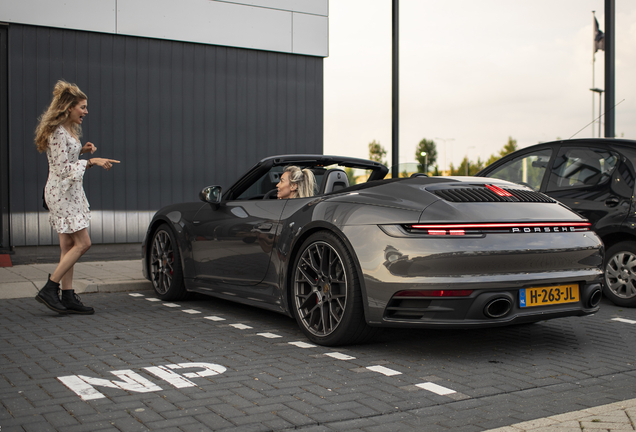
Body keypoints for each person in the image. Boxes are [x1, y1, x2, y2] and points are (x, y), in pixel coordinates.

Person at [34, 80, 120, 315]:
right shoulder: (57, 132)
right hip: (62, 193)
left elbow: (65, 158)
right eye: (82, 107)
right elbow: (63, 170)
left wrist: (81, 151)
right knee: (83, 243)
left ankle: (68, 295)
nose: (86, 111)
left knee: (68, 246)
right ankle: (50, 288)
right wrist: (91, 161)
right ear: (68, 107)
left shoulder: (65, 130)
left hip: (68, 192)